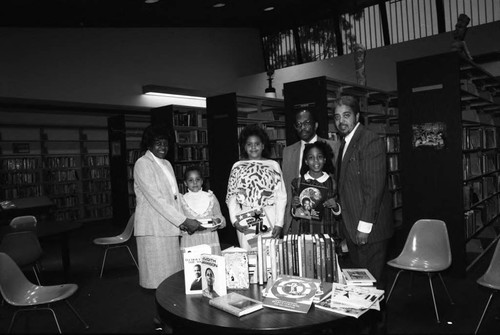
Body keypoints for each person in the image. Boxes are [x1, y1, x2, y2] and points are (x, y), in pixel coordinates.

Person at [333, 95, 394, 287]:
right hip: (353, 228)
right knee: (360, 284)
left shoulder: (369, 140)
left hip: (368, 230)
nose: (341, 121)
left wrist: (364, 227)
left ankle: (375, 318)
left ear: (357, 116)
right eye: (337, 117)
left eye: (346, 115)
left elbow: (374, 188)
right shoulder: (345, 142)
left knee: (371, 286)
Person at [133, 124, 203, 289]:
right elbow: (156, 199)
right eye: (158, 143)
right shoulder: (142, 164)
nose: (162, 147)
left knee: (171, 279)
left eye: (165, 143)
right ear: (148, 144)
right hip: (154, 229)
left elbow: (174, 197)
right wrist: (183, 220)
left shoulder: (166, 164)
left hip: (169, 226)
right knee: (157, 280)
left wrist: (187, 217)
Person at [226, 124, 287, 250]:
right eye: (249, 144)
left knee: (269, 256)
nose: (253, 147)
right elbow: (231, 196)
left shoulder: (273, 165)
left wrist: (279, 223)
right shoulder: (237, 166)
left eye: (257, 144)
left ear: (263, 146)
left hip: (269, 215)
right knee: (249, 256)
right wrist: (234, 220)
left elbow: (281, 196)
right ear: (244, 146)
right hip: (245, 217)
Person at [282, 107, 340, 234]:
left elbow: (341, 184)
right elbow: (286, 188)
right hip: (297, 220)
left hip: (327, 221)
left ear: (316, 125)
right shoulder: (287, 152)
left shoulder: (334, 147)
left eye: (307, 123)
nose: (303, 127)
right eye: (298, 124)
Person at [290, 141, 341, 234]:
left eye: (319, 157)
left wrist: (335, 206)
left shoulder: (332, 183)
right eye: (311, 158)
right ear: (306, 161)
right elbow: (295, 215)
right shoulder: (297, 183)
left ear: (325, 159)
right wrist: (294, 206)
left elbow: (339, 213)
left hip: (328, 233)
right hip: (306, 233)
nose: (316, 161)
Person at [180, 165, 226, 255]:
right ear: (185, 183)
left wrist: (217, 221)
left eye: (197, 179)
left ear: (202, 181)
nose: (194, 183)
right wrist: (184, 226)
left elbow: (220, 217)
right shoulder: (182, 200)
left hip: (209, 240)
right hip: (191, 241)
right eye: (190, 180)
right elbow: (180, 222)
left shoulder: (210, 197)